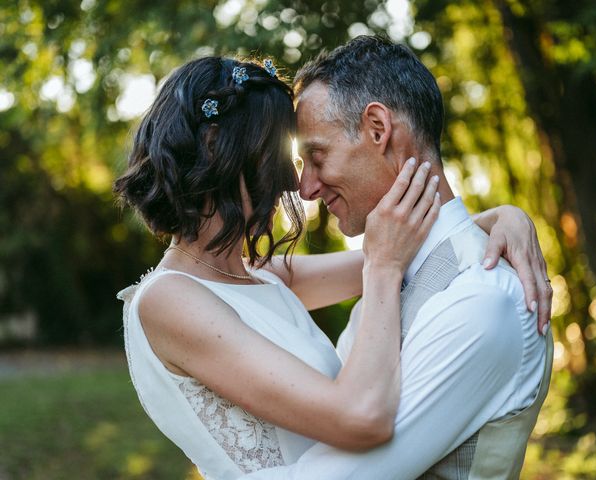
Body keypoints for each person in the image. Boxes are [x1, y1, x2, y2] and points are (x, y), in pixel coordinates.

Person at [114, 52, 549, 480]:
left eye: (313, 157)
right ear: (219, 154)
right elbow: (381, 263)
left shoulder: (259, 277)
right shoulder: (169, 299)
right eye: (278, 159)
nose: (295, 185)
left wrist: (493, 219)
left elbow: (402, 250)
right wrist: (385, 269)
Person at [240, 36, 552, 479]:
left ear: (377, 130)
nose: (305, 188)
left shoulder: (484, 302)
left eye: (317, 156)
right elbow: (233, 278)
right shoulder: (387, 271)